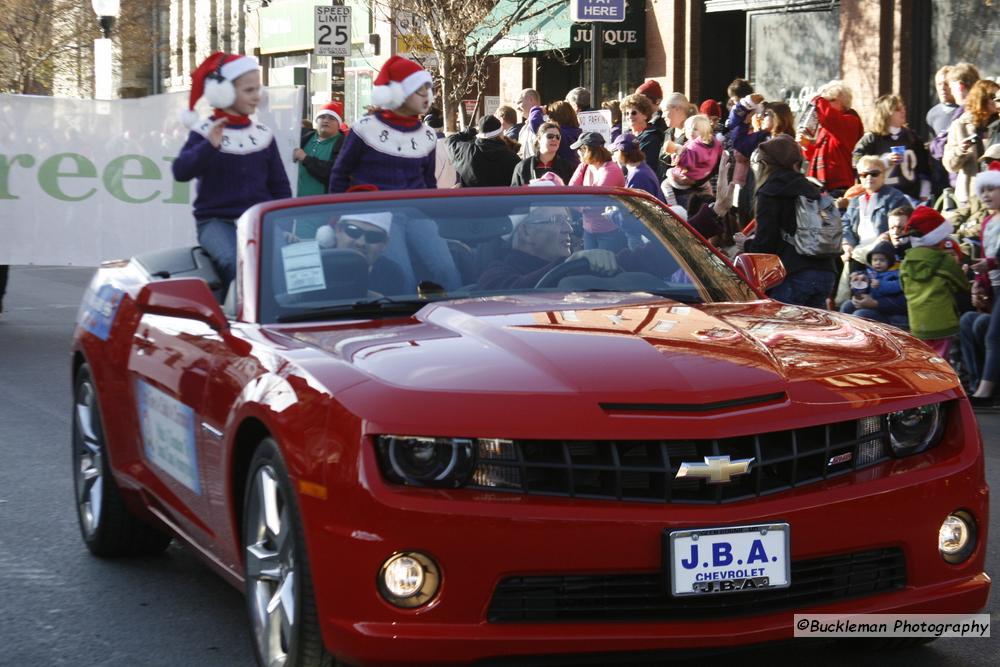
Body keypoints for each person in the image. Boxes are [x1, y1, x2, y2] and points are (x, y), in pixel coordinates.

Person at [171, 52, 291, 289]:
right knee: (236, 263)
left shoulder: (263, 134)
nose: (257, 96)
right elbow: (181, 171)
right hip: (216, 221)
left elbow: (279, 186)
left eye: (258, 89)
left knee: (290, 264)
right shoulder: (204, 130)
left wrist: (284, 224)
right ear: (223, 92)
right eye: (249, 90)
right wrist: (209, 146)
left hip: (260, 220)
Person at [742, 134, 838, 308]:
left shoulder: (770, 191)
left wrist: (746, 246)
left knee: (784, 332)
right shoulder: (813, 188)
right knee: (815, 333)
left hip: (794, 274)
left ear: (766, 165)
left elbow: (765, 243)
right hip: (826, 272)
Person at [328, 55, 437, 193]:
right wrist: (339, 211)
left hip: (411, 212)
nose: (427, 95)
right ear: (398, 92)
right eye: (420, 89)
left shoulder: (428, 135)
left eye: (428, 88)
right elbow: (340, 175)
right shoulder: (364, 128)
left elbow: (429, 183)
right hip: (367, 211)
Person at [477, 206, 619, 290]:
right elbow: (510, 295)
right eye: (557, 220)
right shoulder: (496, 274)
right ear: (526, 232)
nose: (569, 229)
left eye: (568, 221)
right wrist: (566, 265)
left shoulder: (580, 265)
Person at [898, 207, 968, 359]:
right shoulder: (945, 261)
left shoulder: (906, 263)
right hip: (944, 324)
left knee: (926, 361)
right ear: (938, 237)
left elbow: (903, 287)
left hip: (917, 324)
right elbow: (962, 285)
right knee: (942, 363)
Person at [960, 164, 1000, 405]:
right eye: (982, 190)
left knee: (994, 335)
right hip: (995, 289)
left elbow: (992, 259)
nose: (985, 195)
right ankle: (977, 384)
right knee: (970, 322)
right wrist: (978, 285)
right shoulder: (987, 222)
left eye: (991, 189)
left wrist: (992, 263)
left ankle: (986, 392)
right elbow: (985, 259)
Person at [853, 94, 931, 202]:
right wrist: (884, 162)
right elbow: (857, 162)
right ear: (885, 114)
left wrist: (924, 194)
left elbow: (924, 169)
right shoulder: (872, 139)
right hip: (881, 198)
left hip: (910, 197)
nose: (903, 111)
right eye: (897, 109)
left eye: (903, 107)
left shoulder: (912, 137)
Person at [840, 156, 911, 269]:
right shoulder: (854, 201)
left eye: (874, 174)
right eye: (864, 175)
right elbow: (845, 226)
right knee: (848, 273)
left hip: (885, 252)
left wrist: (886, 236)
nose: (869, 177)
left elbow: (905, 224)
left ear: (883, 175)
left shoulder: (895, 197)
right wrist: (847, 245)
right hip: (858, 250)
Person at [315, 212, 405, 295]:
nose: (361, 243)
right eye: (353, 231)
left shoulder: (391, 273)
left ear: (385, 243)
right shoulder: (315, 268)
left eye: (373, 236)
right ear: (338, 230)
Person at [800, 80, 865, 195]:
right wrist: (806, 146)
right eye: (826, 101)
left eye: (831, 100)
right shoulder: (826, 127)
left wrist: (818, 99)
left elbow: (828, 117)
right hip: (820, 184)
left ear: (844, 102)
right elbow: (816, 155)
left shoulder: (851, 121)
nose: (826, 104)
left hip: (839, 186)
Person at [943, 79, 1000, 207]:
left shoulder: (998, 124)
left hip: (997, 194)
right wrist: (961, 150)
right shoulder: (961, 125)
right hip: (970, 196)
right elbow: (950, 165)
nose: (996, 101)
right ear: (981, 99)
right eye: (992, 97)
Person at [568, 132, 627, 250]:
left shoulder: (611, 170)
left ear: (586, 150)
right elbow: (571, 192)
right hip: (588, 230)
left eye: (579, 149)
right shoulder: (584, 166)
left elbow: (595, 202)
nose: (577, 153)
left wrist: (577, 204)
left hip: (609, 231)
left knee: (606, 266)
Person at [840, 240, 908, 327]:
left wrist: (880, 286)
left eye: (882, 260)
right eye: (875, 260)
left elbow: (898, 287)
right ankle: (844, 330)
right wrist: (858, 281)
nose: (878, 263)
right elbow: (864, 281)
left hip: (893, 315)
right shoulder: (870, 272)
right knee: (848, 305)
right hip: (875, 307)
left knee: (861, 314)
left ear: (890, 262)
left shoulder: (896, 274)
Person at [662, 114, 723, 207]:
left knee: (666, 182)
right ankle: (710, 200)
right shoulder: (712, 145)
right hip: (702, 177)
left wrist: (675, 154)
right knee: (707, 186)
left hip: (686, 178)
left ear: (704, 131)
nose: (691, 131)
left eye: (695, 129)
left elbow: (686, 162)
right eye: (689, 128)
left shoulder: (694, 145)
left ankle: (672, 206)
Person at [446, 115, 520, 187]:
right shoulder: (513, 158)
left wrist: (468, 132)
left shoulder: (467, 152)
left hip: (472, 198)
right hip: (503, 198)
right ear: (501, 133)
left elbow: (449, 141)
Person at [293, 102, 346, 197]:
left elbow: (333, 172)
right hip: (295, 204)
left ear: (339, 124)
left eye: (331, 118)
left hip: (323, 206)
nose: (326, 121)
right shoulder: (302, 137)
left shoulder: (344, 145)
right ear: (316, 121)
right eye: (322, 117)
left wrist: (305, 159)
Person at [927, 65, 959, 198]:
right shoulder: (932, 114)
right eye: (939, 84)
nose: (942, 88)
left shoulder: (963, 110)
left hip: (957, 173)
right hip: (939, 175)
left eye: (946, 84)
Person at [511, 122, 575, 186]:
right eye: (550, 136)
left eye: (558, 137)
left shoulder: (566, 167)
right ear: (539, 139)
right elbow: (514, 193)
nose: (554, 139)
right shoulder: (523, 167)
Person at [611, 133, 664, 202]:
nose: (613, 155)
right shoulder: (640, 168)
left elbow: (634, 208)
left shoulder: (638, 175)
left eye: (614, 151)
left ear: (620, 152)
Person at [619, 93, 663, 174]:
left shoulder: (652, 137)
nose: (629, 116)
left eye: (633, 113)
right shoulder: (625, 136)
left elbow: (648, 165)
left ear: (645, 115)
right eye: (626, 113)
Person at [659, 92, 692, 178]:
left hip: (686, 188)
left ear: (677, 109)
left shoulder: (694, 134)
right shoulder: (668, 133)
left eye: (664, 111)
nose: (662, 116)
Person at [545, 100, 582, 168]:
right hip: (576, 171)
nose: (548, 119)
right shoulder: (578, 133)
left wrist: (537, 109)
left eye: (550, 116)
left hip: (562, 172)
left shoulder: (560, 133)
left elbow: (535, 124)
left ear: (555, 117)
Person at [515, 88, 545, 159]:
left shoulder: (546, 123)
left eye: (519, 102)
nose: (517, 108)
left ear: (531, 99)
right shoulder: (523, 129)